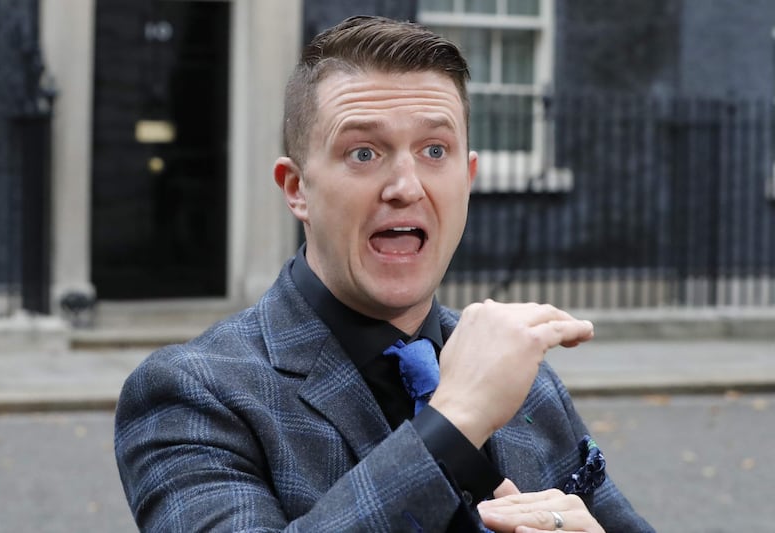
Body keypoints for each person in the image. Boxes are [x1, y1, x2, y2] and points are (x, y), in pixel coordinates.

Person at [114, 16, 654, 533]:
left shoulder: (525, 378)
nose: (406, 186)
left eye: (435, 150)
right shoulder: (191, 393)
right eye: (364, 152)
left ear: (467, 179)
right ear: (297, 188)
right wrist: (456, 419)